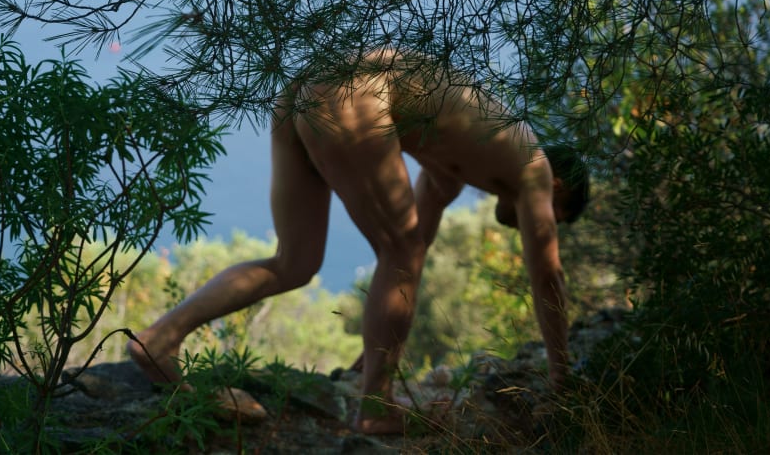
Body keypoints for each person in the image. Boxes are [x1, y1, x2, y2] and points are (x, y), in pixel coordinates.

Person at [128, 47, 589, 434]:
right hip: (355, 96)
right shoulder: (535, 168)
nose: (546, 222)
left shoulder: (459, 163)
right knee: (399, 249)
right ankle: (376, 407)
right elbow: (547, 276)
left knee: (296, 262)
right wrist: (562, 378)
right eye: (558, 217)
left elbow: (414, 256)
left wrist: (373, 353)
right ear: (560, 190)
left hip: (306, 87)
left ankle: (160, 338)